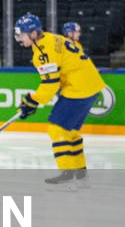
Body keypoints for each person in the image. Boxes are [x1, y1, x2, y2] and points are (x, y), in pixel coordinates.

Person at [13, 13, 104, 185]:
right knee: (69, 131)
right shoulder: (50, 38)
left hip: (79, 89)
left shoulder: (43, 51)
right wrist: (33, 102)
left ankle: (68, 177)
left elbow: (50, 85)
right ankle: (80, 174)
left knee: (56, 129)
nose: (19, 38)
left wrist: (31, 100)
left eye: (22, 34)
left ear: (33, 34)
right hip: (92, 86)